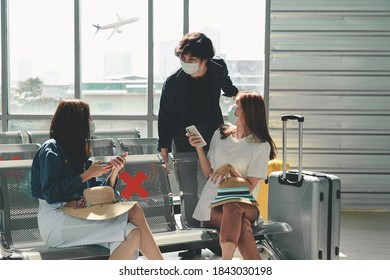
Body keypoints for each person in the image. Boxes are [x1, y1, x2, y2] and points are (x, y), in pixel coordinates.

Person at [31, 99, 163, 260]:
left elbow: (100, 195)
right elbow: (51, 193)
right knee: (134, 212)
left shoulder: (78, 153)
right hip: (57, 220)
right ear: (75, 122)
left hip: (80, 215)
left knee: (133, 234)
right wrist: (87, 174)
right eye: (88, 118)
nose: (91, 122)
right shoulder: (51, 148)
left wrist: (114, 172)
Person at [187, 91, 277, 260]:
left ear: (249, 113)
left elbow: (249, 187)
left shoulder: (260, 145)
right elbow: (209, 174)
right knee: (241, 224)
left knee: (233, 204)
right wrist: (198, 147)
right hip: (213, 204)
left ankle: (225, 263)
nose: (232, 111)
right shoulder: (220, 135)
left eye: (237, 107)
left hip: (246, 203)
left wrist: (231, 170)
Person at [158, 31, 239, 162]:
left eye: (192, 59)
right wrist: (163, 148)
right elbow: (165, 116)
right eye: (182, 58)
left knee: (213, 174)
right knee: (187, 179)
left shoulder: (218, 67)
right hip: (184, 135)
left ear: (205, 59)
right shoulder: (173, 82)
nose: (186, 62)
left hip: (212, 131)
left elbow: (227, 85)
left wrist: (240, 96)